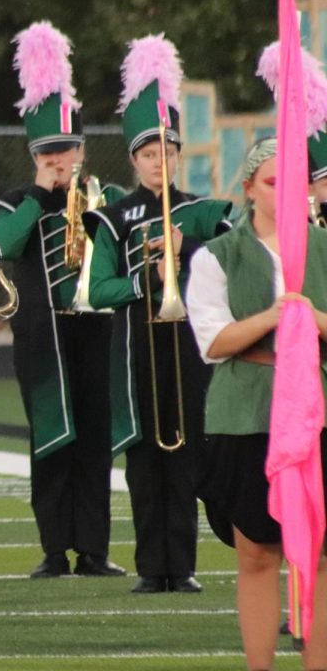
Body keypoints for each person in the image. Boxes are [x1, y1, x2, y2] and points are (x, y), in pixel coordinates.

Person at [85, 35, 232, 594]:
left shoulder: (202, 212)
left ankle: (184, 565)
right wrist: (146, 276)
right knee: (146, 457)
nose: (158, 163)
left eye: (167, 153)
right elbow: (97, 289)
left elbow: (226, 267)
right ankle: (153, 566)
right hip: (136, 348)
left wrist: (186, 252)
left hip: (190, 348)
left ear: (178, 156)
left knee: (188, 452)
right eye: (148, 155)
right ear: (134, 160)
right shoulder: (114, 219)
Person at [0, 22, 126, 579]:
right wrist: (43, 192)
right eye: (49, 152)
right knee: (50, 436)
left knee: (94, 437)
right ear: (33, 153)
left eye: (68, 149)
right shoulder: (14, 200)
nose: (61, 159)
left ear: (83, 149)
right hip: (42, 332)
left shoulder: (103, 198)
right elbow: (5, 246)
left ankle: (93, 549)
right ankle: (53, 549)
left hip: (94, 327)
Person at [187, 137, 327, 671]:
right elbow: (213, 341)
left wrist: (312, 320)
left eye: (296, 182)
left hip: (317, 410)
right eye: (273, 183)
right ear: (247, 187)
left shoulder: (324, 249)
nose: (287, 194)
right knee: (258, 553)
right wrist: (271, 317)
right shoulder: (217, 257)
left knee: (319, 554)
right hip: (246, 411)